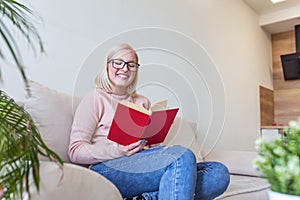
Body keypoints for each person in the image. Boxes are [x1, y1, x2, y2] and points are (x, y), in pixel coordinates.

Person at [68, 43, 230, 200]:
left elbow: (146, 148)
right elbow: (75, 151)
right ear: (107, 66)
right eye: (118, 63)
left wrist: (151, 145)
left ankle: (145, 198)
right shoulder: (95, 98)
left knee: (218, 172)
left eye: (131, 64)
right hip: (108, 169)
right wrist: (118, 150)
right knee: (182, 155)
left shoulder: (142, 102)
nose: (125, 68)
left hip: (142, 165)